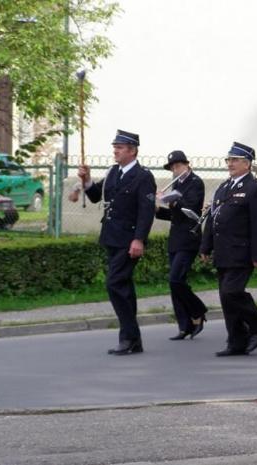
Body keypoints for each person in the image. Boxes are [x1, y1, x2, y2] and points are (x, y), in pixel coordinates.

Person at [78, 129, 156, 355]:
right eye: (115, 147)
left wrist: (139, 239)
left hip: (129, 239)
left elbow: (146, 211)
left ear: (132, 151)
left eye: (119, 147)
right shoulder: (114, 172)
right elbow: (95, 195)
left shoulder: (143, 176)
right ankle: (133, 340)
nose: (115, 151)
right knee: (124, 287)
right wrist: (86, 179)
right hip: (112, 237)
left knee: (113, 283)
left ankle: (130, 335)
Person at [199, 142, 257, 356]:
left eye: (234, 160)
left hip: (242, 251)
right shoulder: (224, 187)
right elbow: (214, 218)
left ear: (247, 164)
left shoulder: (256, 188)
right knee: (225, 298)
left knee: (232, 292)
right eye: (228, 160)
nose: (229, 163)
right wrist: (206, 245)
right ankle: (236, 342)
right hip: (224, 251)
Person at [155, 150, 209, 341]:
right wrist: (157, 208)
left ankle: (198, 311)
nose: (175, 170)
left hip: (189, 238)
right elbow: (174, 215)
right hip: (176, 239)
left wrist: (172, 199)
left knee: (175, 279)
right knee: (176, 284)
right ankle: (184, 325)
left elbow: (191, 208)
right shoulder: (177, 184)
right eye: (173, 167)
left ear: (187, 164)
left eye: (178, 166)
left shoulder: (196, 182)